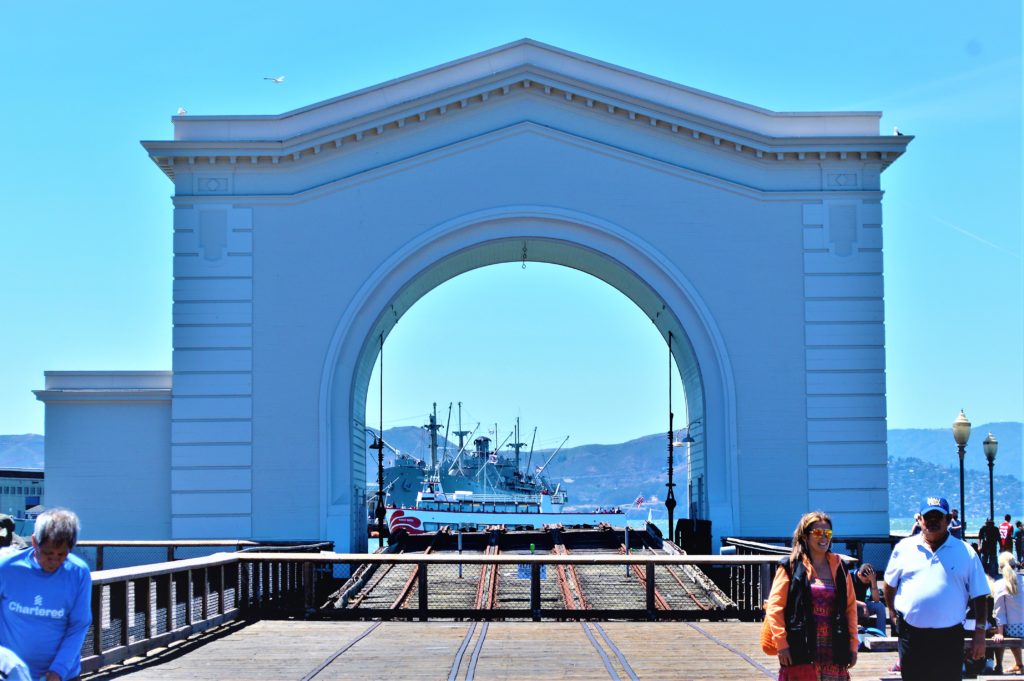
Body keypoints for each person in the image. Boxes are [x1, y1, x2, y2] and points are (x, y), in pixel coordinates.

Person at [884, 496, 989, 681]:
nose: (932, 521)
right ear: (919, 520)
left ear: (948, 520)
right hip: (912, 636)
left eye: (938, 517)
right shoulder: (904, 548)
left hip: (949, 637)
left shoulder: (966, 552)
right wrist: (892, 612)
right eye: (928, 517)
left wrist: (980, 633)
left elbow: (980, 594)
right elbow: (889, 583)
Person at [764, 511, 858, 680]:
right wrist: (781, 644)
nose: (823, 537)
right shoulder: (790, 566)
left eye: (827, 533)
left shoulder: (840, 567)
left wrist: (853, 645)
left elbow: (850, 609)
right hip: (801, 648)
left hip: (834, 649)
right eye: (817, 532)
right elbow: (774, 607)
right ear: (805, 536)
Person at [0, 508, 91, 681]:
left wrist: (58, 671)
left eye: (62, 554)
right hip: (12, 674)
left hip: (63, 675)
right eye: (48, 553)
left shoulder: (78, 572)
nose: (54, 560)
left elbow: (79, 625)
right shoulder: (6, 567)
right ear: (34, 541)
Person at [992, 552, 1024, 675]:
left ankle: (998, 665)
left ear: (1000, 567)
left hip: (1014, 630)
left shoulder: (1000, 584)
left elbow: (999, 611)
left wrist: (1000, 633)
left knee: (997, 630)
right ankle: (1019, 664)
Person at [852, 562, 887, 635]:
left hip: (862, 607)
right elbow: (844, 599)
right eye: (866, 580)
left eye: (869, 580)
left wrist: (873, 581)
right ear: (859, 574)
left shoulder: (871, 578)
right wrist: (863, 604)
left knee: (880, 606)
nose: (868, 582)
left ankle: (881, 635)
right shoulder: (849, 576)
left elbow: (876, 600)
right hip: (849, 606)